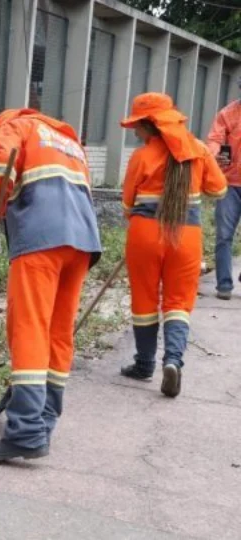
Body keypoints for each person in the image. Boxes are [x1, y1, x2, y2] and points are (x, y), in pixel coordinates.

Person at [0, 109, 102, 463]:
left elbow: (2, 165)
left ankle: (26, 431)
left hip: (42, 237)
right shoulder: (68, 141)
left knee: (29, 328)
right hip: (82, 243)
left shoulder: (15, 127)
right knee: (58, 333)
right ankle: (43, 422)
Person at [119, 93, 227, 397]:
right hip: (186, 234)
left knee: (144, 300)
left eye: (138, 126)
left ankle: (144, 365)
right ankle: (174, 360)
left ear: (149, 125)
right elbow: (218, 190)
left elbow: (127, 203)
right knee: (178, 303)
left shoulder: (141, 157)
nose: (136, 132)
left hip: (145, 233)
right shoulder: (199, 150)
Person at [205, 78, 241, 300]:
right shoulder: (228, 114)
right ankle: (224, 285)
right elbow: (215, 139)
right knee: (224, 235)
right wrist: (213, 153)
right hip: (229, 184)